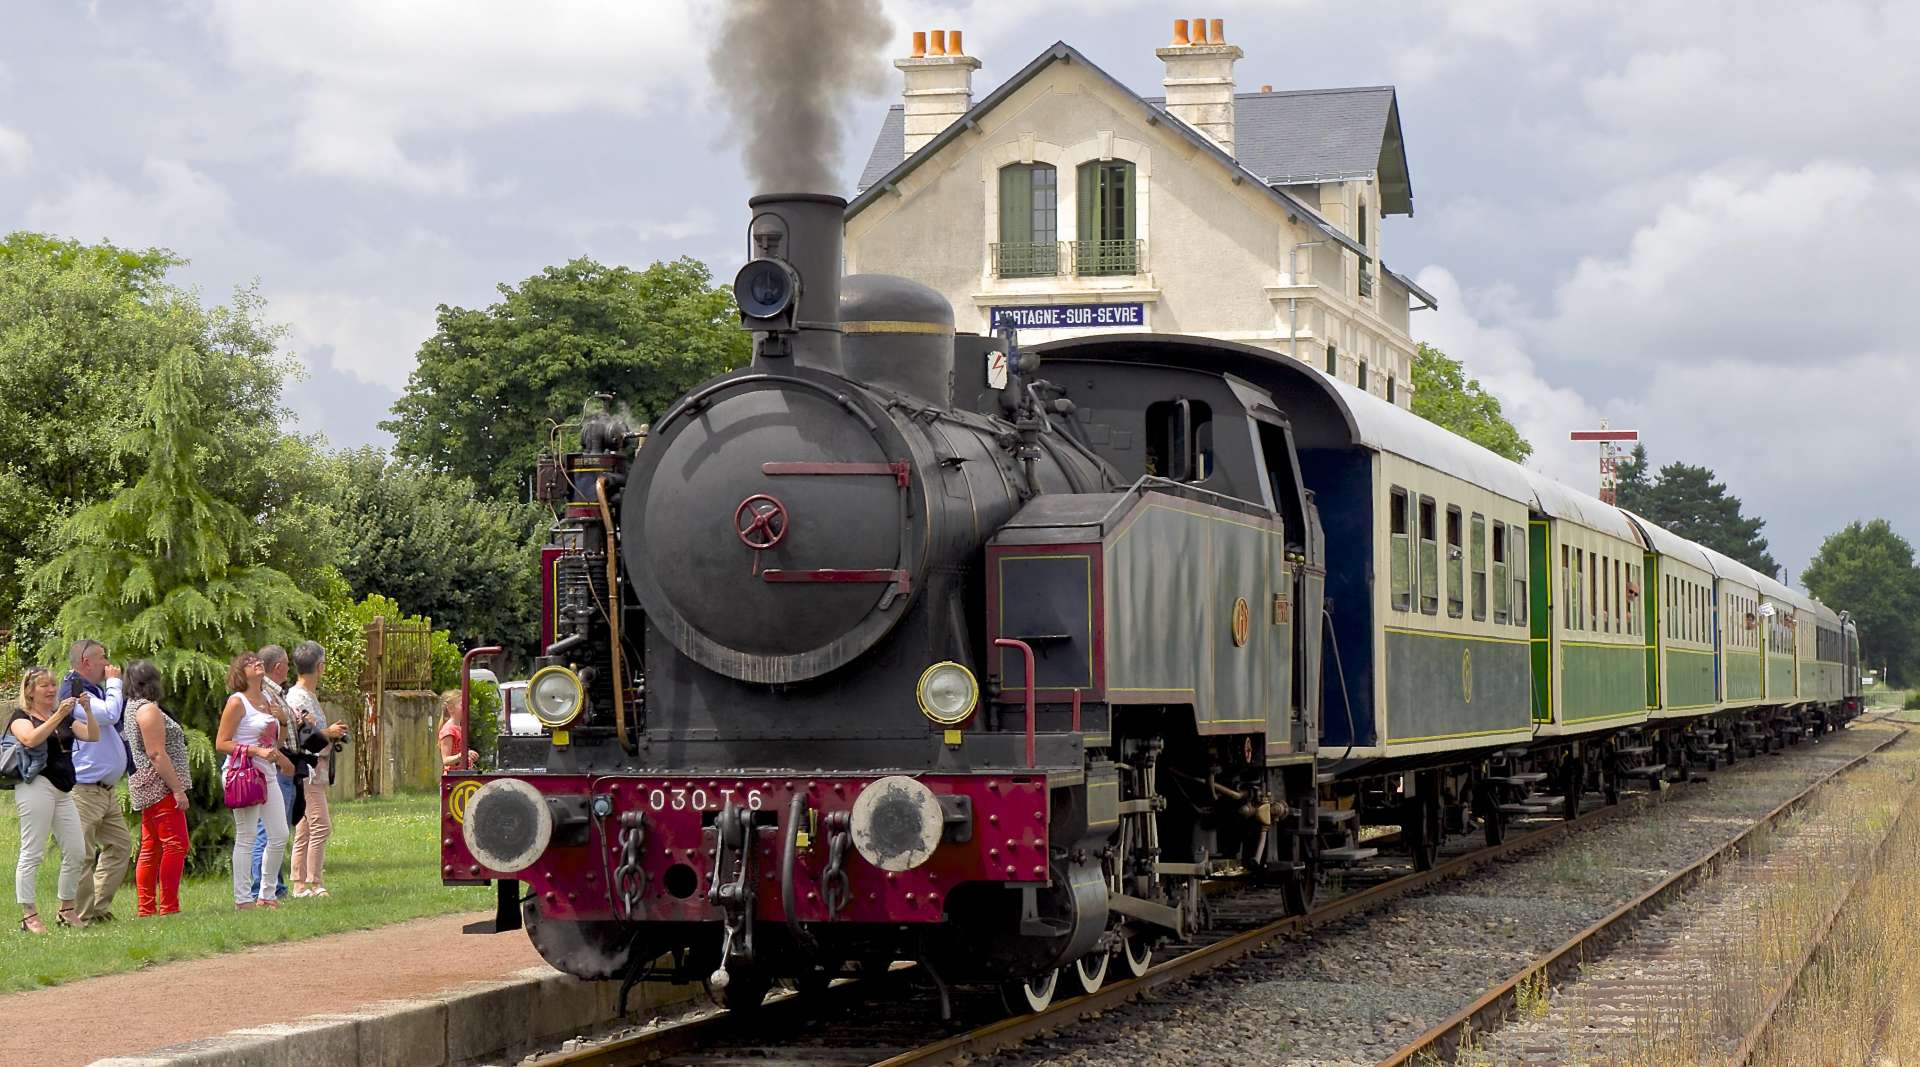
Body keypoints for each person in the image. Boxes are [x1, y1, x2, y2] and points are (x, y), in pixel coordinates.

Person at [10, 666, 100, 933]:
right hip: (36, 786)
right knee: (32, 851)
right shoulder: (21, 717)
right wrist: (58, 714)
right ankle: (29, 914)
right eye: (44, 686)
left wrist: (88, 710)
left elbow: (92, 735)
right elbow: (30, 738)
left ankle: (66, 909)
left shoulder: (63, 715)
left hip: (63, 790)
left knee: (76, 849)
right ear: (29, 691)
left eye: (53, 685)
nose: (51, 690)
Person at [215, 652, 294, 910]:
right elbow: (222, 743)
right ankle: (242, 899)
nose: (256, 663)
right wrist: (256, 752)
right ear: (240, 673)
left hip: (267, 773)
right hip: (243, 774)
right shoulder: (237, 702)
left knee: (279, 834)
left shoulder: (269, 698)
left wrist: (281, 723)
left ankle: (267, 894)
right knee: (247, 835)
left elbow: (274, 742)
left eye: (257, 660)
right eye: (249, 662)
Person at [61, 639, 129, 924]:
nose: (108, 663)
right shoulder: (74, 691)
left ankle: (98, 908)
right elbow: (109, 714)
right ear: (86, 662)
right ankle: (81, 915)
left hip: (105, 790)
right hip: (85, 789)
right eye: (103, 657)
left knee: (121, 845)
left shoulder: (94, 689)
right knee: (84, 854)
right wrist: (115, 684)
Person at [120, 660, 189, 917]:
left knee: (151, 846)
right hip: (160, 785)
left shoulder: (132, 707)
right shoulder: (147, 710)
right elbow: (156, 753)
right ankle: (169, 907)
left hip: (146, 783)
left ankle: (146, 908)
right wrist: (178, 789)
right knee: (175, 844)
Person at [286, 641, 346, 897]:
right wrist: (328, 732)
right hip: (308, 770)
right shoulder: (299, 697)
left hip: (315, 769)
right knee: (321, 825)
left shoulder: (306, 696)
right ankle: (314, 883)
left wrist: (329, 733)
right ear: (320, 667)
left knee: (306, 827)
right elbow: (299, 735)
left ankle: (300, 884)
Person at [249, 644, 300, 900]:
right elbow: (267, 733)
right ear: (278, 667)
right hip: (274, 765)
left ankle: (273, 887)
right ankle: (263, 887)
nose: (289, 668)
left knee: (276, 831)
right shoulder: (266, 694)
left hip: (281, 763)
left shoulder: (275, 693)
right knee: (266, 831)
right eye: (287, 664)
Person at [437, 690, 479, 772]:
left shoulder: (460, 728)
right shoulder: (448, 730)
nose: (466, 708)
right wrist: (463, 755)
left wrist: (470, 757)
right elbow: (446, 760)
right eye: (462, 705)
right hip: (452, 778)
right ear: (451, 708)